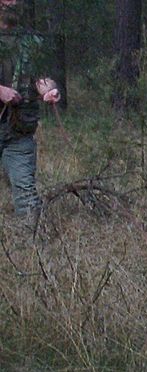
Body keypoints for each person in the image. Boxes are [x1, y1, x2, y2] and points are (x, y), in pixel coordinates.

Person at [0, 0, 59, 224]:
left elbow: (41, 77)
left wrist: (49, 90)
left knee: (25, 192)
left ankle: (32, 249)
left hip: (19, 130)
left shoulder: (31, 41)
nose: (13, 2)